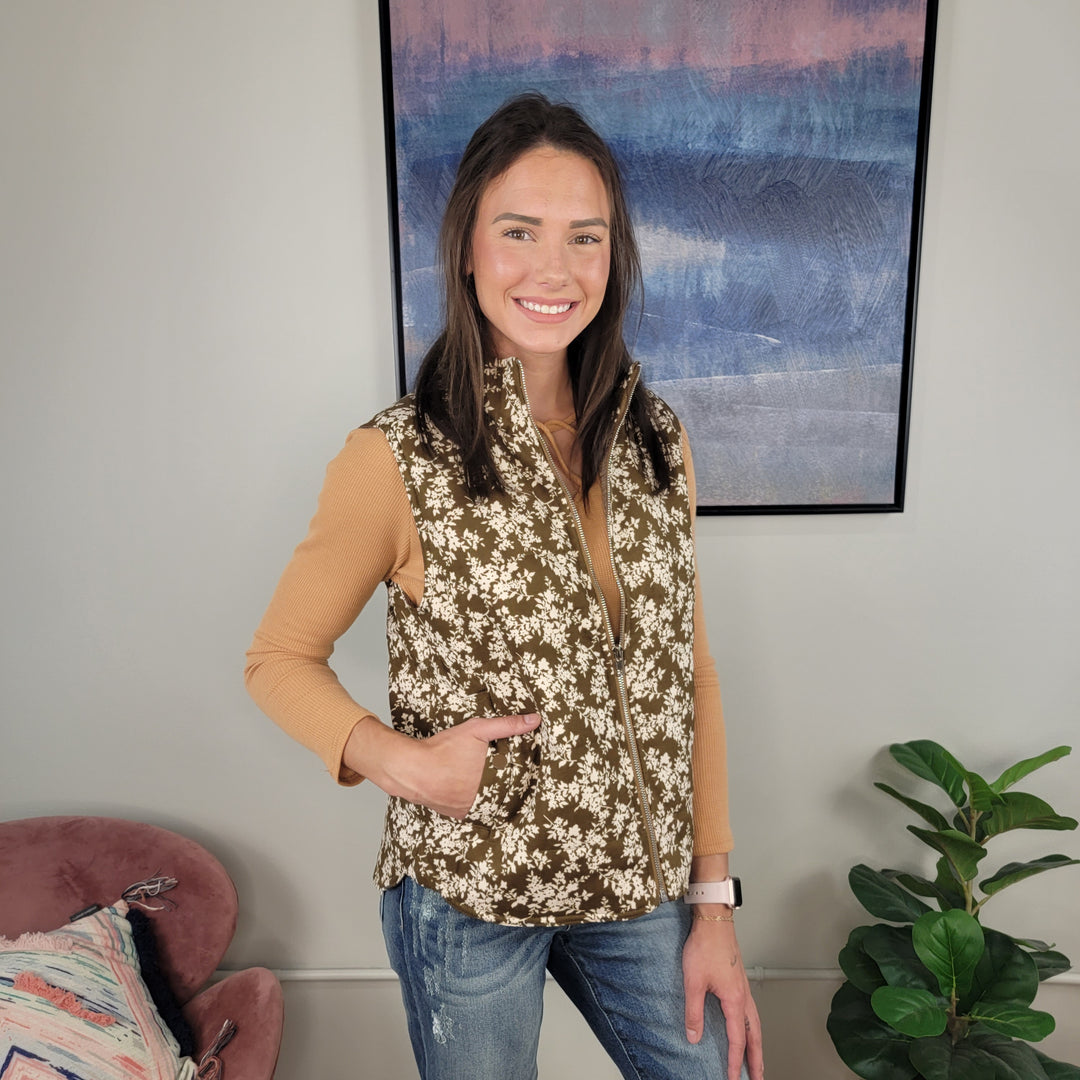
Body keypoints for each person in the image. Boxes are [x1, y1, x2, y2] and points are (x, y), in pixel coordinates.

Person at [246, 91, 763, 1080]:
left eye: (585, 237)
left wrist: (713, 907)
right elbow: (278, 660)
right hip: (469, 894)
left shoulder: (657, 440)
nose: (553, 269)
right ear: (468, 249)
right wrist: (400, 764)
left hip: (637, 887)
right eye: (519, 231)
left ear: (613, 258)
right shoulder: (396, 457)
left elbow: (687, 678)